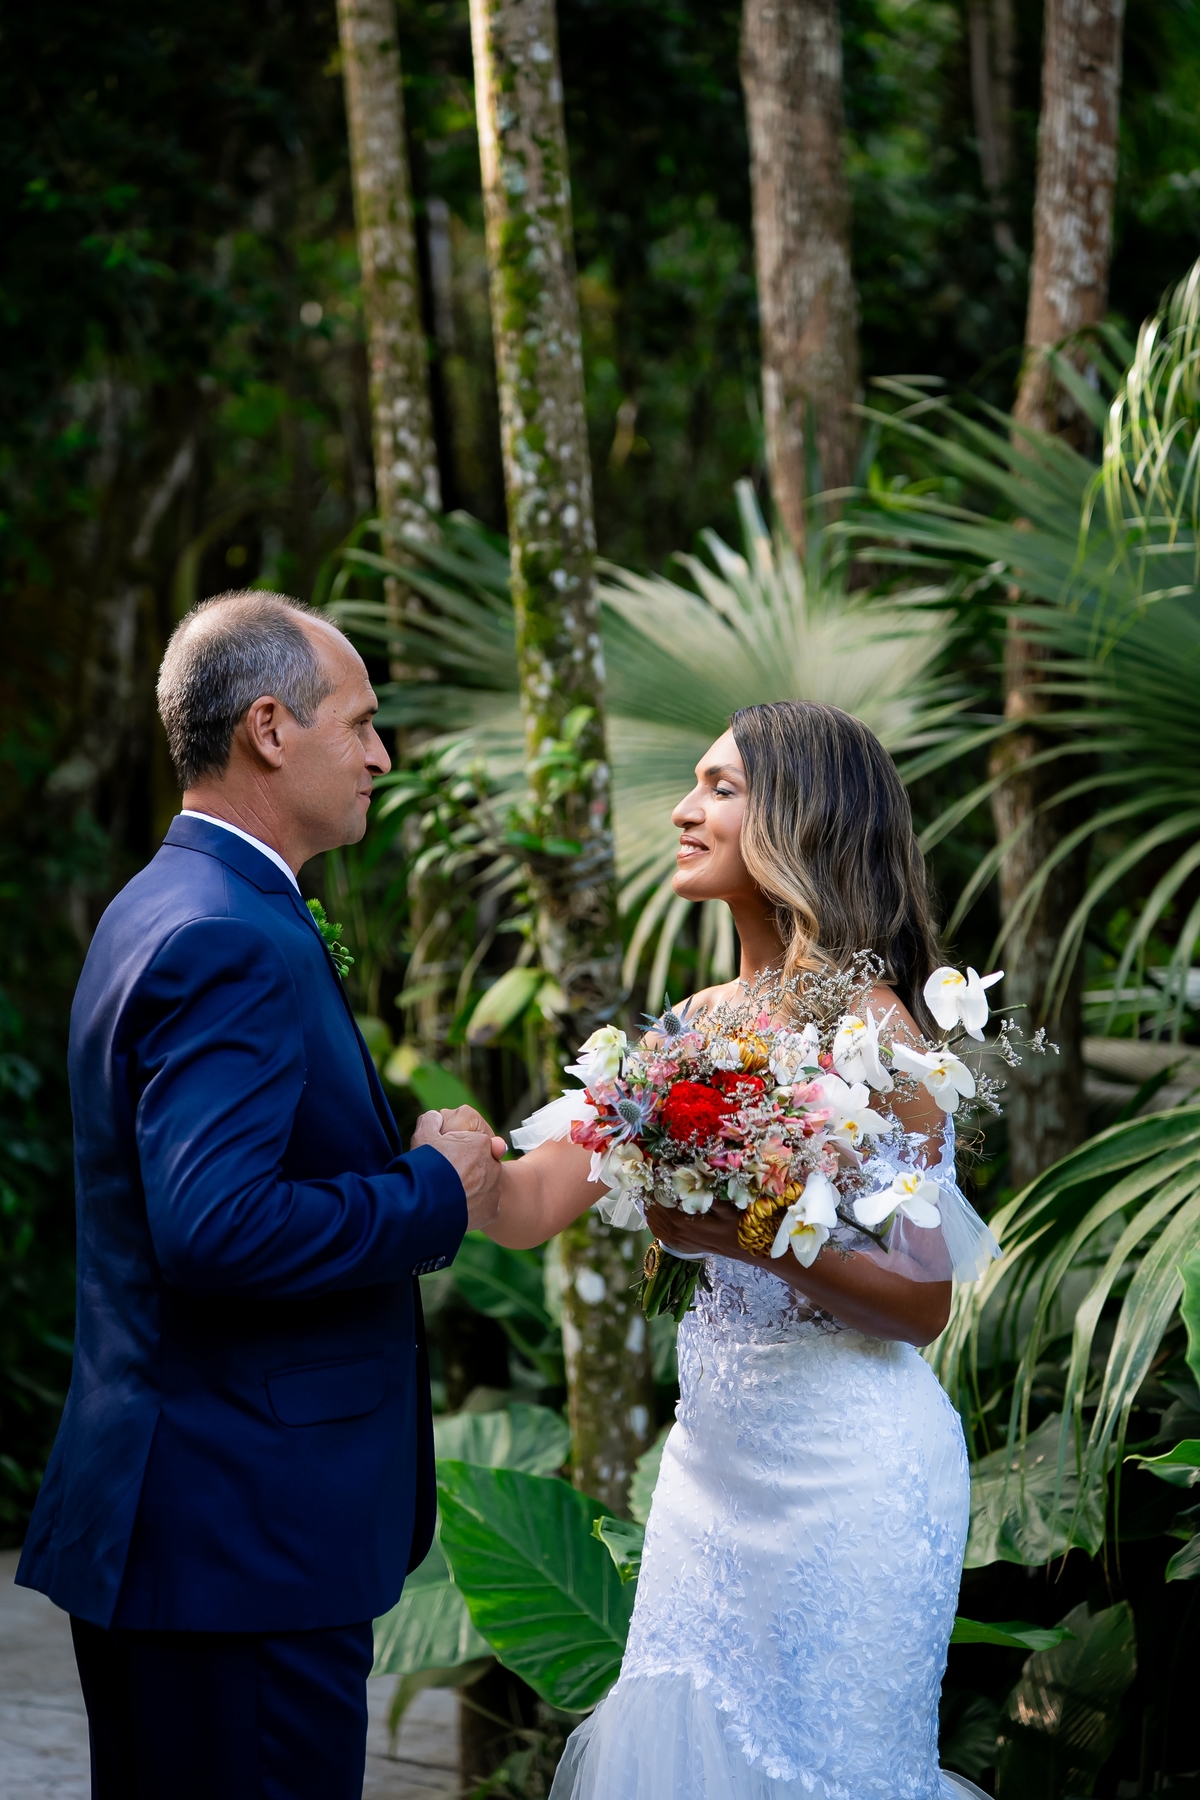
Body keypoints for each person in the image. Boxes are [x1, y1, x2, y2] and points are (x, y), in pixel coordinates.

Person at [445, 700, 991, 1800]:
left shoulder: (875, 1033)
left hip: (854, 1480)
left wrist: (755, 1240)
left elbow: (923, 1303)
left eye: (720, 788)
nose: (685, 811)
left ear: (800, 820)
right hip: (709, 1482)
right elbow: (527, 1204)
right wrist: (457, 1163)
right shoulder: (690, 1027)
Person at [16, 592, 506, 1800]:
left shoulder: (167, 901)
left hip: (196, 1525)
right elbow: (217, 1228)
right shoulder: (227, 935)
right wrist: (430, 1190)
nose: (381, 756)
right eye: (363, 723)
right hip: (240, 1542)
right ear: (271, 729)